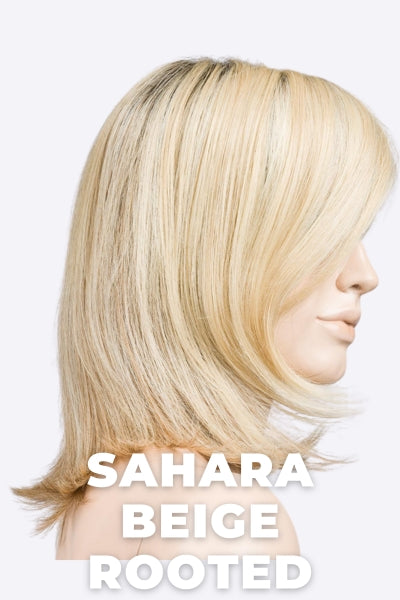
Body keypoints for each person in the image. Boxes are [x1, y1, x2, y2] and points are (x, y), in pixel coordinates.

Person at [13, 58, 396, 559]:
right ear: (212, 253)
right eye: (324, 231)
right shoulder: (223, 518)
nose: (365, 275)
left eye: (357, 233)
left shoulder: (109, 496)